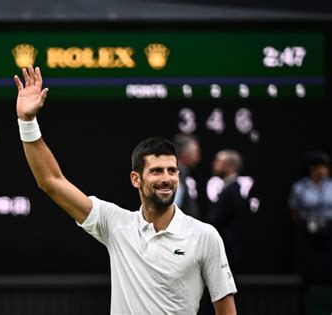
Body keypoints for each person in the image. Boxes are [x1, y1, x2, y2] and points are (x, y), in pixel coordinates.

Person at [13, 65, 237, 314]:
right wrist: (27, 121)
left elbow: (227, 311)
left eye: (172, 171)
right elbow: (51, 182)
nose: (167, 178)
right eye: (156, 171)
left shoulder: (205, 236)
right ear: (135, 179)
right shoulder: (116, 225)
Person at [288, 150, 332, 285]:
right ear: (313, 168)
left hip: (329, 229)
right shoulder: (300, 187)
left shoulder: (330, 185)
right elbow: (295, 211)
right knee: (309, 264)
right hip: (308, 230)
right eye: (322, 166)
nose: (325, 170)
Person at [205, 149, 250, 274]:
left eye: (218, 161)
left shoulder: (233, 192)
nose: (214, 164)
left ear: (229, 166)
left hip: (228, 248)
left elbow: (219, 219)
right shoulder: (229, 189)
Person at [172, 133, 202, 219]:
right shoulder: (176, 172)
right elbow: (174, 203)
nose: (198, 156)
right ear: (184, 153)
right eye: (196, 151)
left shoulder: (184, 171)